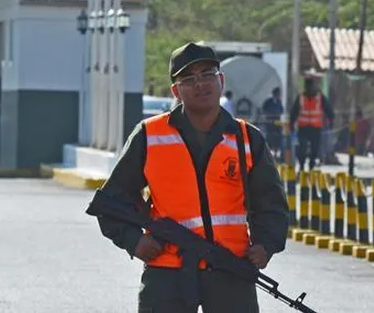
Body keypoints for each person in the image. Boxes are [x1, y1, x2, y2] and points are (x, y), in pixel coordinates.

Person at [90, 42, 289, 312]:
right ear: (175, 90)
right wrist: (134, 241)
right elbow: (111, 200)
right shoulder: (149, 135)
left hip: (230, 268)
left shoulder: (247, 138)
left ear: (221, 80)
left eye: (207, 74)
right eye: (188, 78)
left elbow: (271, 202)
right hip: (167, 271)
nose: (200, 84)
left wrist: (266, 245)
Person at [289, 76, 334, 172]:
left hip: (315, 128)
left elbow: (329, 110)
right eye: (307, 86)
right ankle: (301, 166)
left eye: (311, 86)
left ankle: (311, 166)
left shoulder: (320, 97)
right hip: (303, 128)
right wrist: (291, 125)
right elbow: (293, 112)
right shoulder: (300, 97)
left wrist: (331, 121)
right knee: (302, 148)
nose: (309, 88)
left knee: (315, 149)